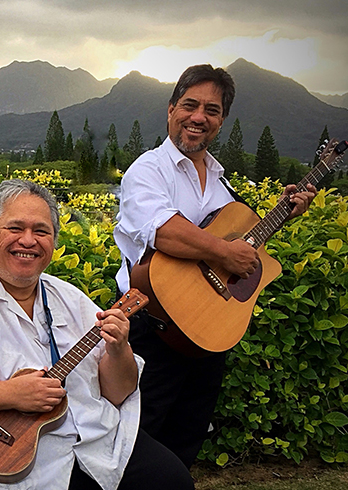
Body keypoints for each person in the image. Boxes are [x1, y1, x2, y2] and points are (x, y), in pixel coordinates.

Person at [0, 179, 193, 490]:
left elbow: (118, 393)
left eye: (41, 231)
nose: (28, 240)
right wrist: (11, 394)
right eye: (15, 228)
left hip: (85, 437)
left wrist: (118, 350)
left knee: (171, 479)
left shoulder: (72, 301)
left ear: (54, 242)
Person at [113, 64, 315, 468]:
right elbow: (164, 232)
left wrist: (282, 214)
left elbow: (240, 242)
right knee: (136, 442)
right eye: (190, 105)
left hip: (208, 328)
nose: (199, 117)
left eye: (212, 109)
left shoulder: (221, 180)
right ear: (170, 109)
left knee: (185, 439)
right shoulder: (148, 170)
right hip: (153, 325)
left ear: (221, 120)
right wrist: (223, 254)